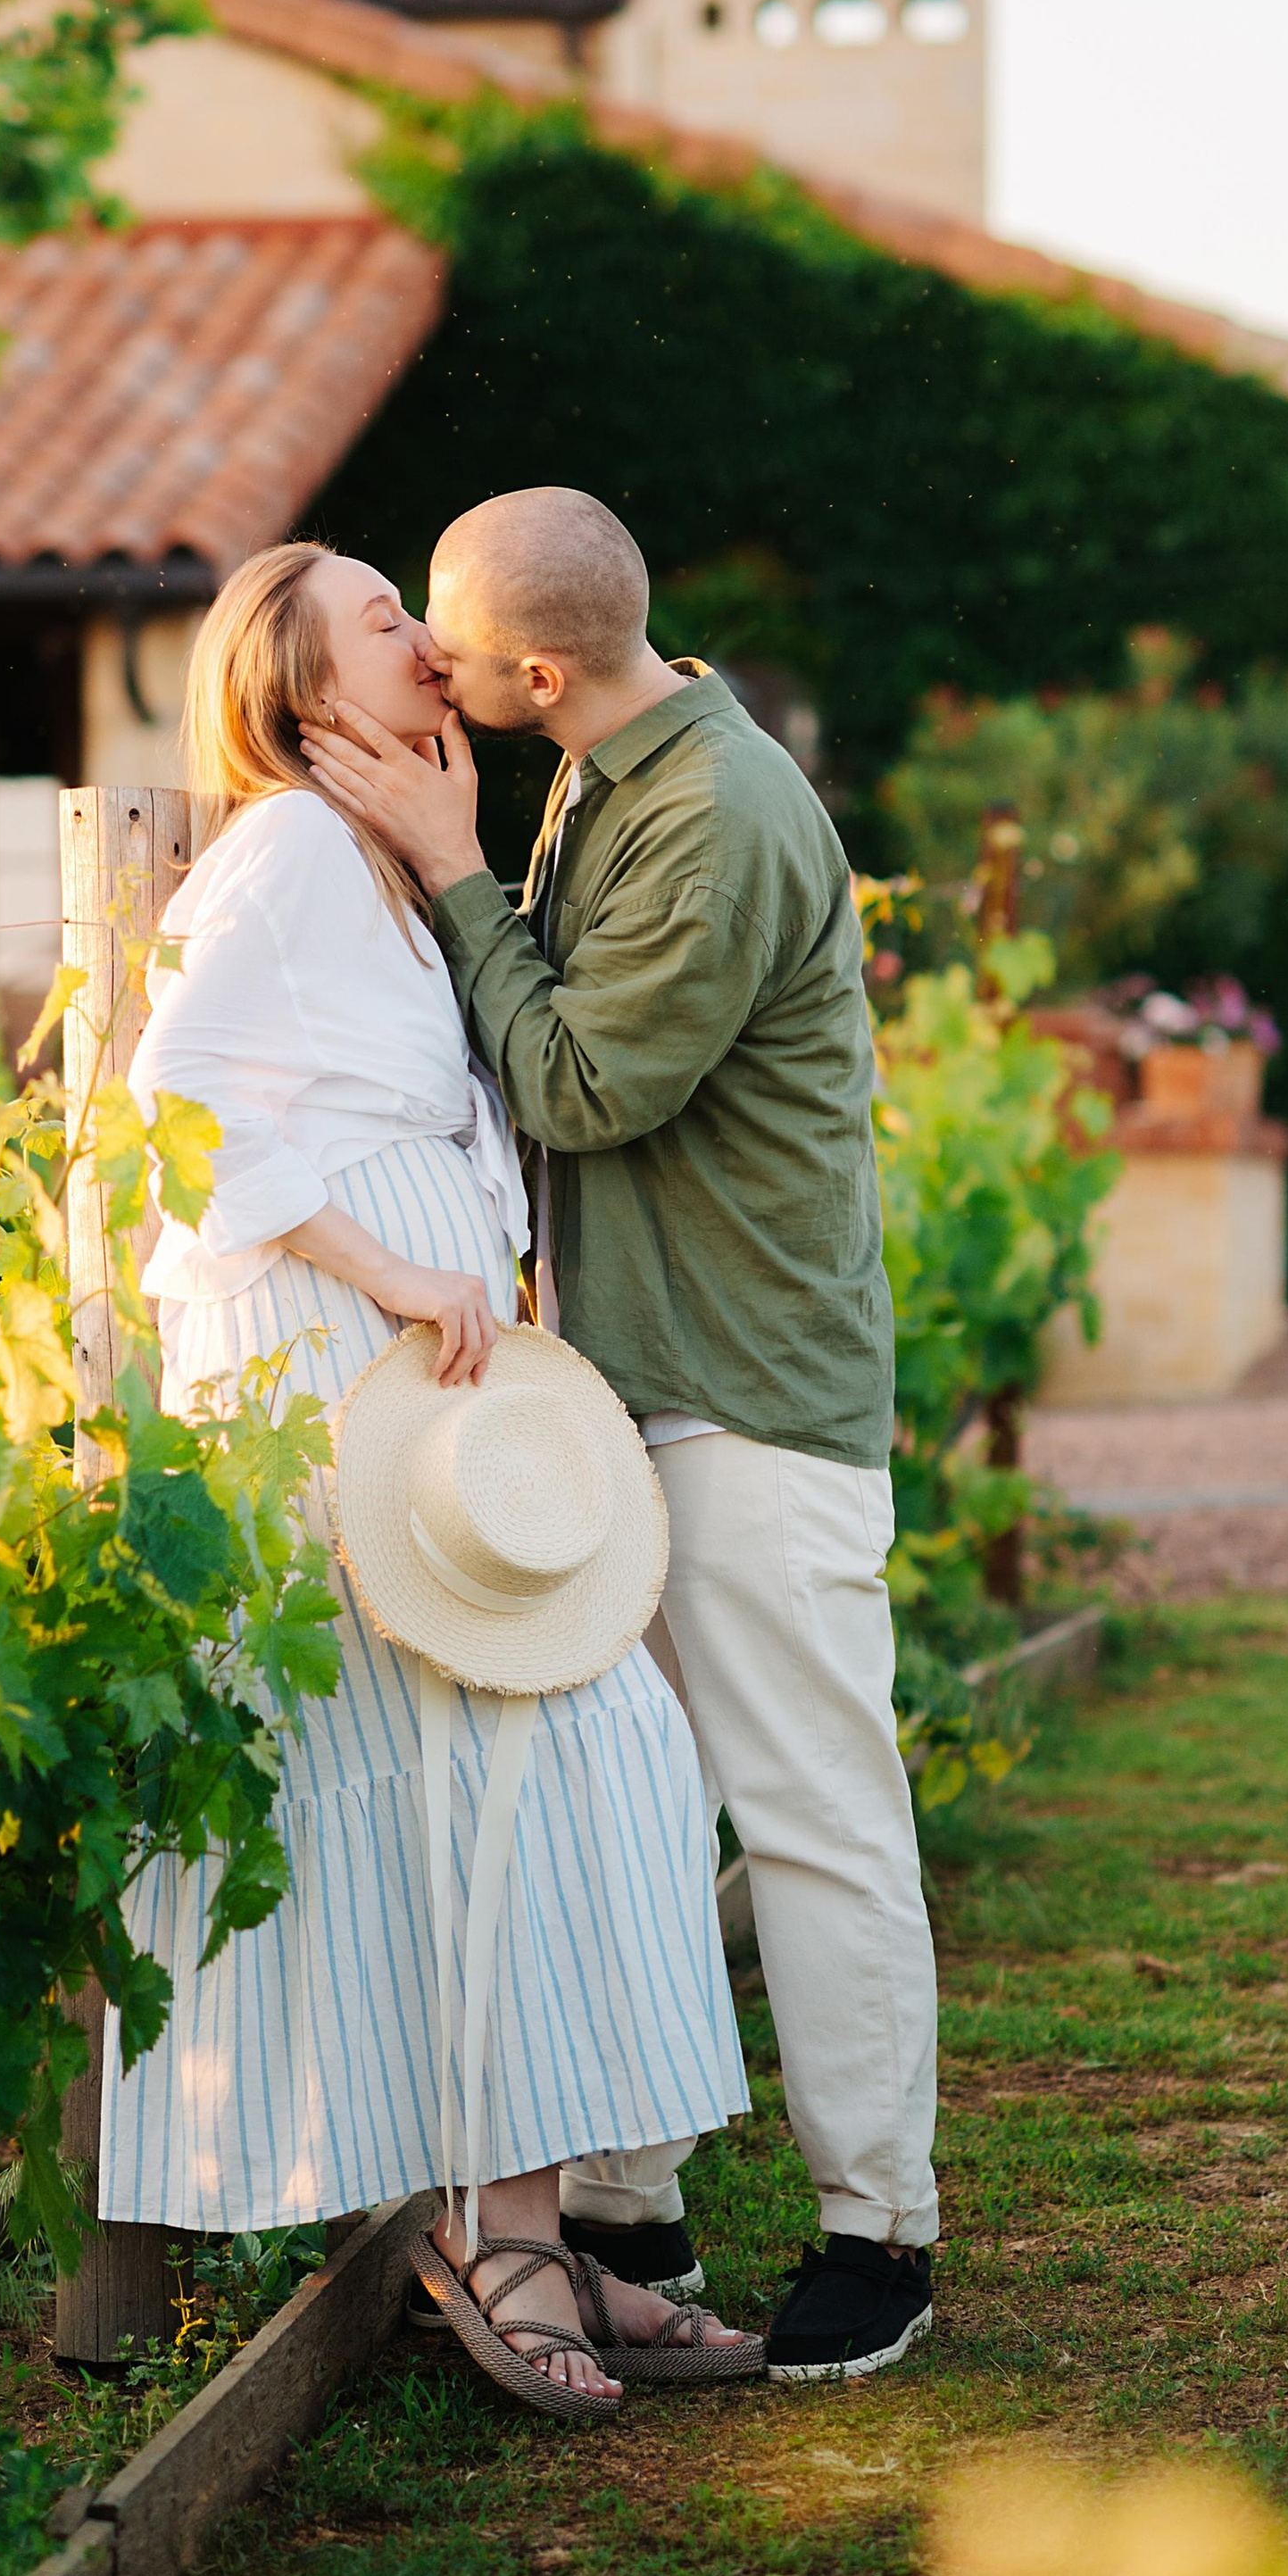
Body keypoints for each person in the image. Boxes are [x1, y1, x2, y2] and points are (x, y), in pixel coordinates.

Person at [101, 538, 753, 2413]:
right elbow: (178, 1093)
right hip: (334, 1368)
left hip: (423, 1372)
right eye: (381, 615)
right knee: (489, 1769)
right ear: (303, 696)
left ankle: (517, 2215)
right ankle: (502, 2231)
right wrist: (392, 1269)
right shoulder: (294, 851)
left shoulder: (381, 861)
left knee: (554, 1764)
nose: (423, 632)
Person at [302, 485, 941, 2384]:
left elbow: (578, 1079)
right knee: (637, 1806)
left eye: (445, 634)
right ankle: (621, 2204)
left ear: (539, 670)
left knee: (813, 1815)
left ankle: (879, 2232)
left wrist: (448, 871)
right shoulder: (603, 764)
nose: (422, 652)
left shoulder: (722, 816)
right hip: (636, 1393)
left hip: (747, 1396)